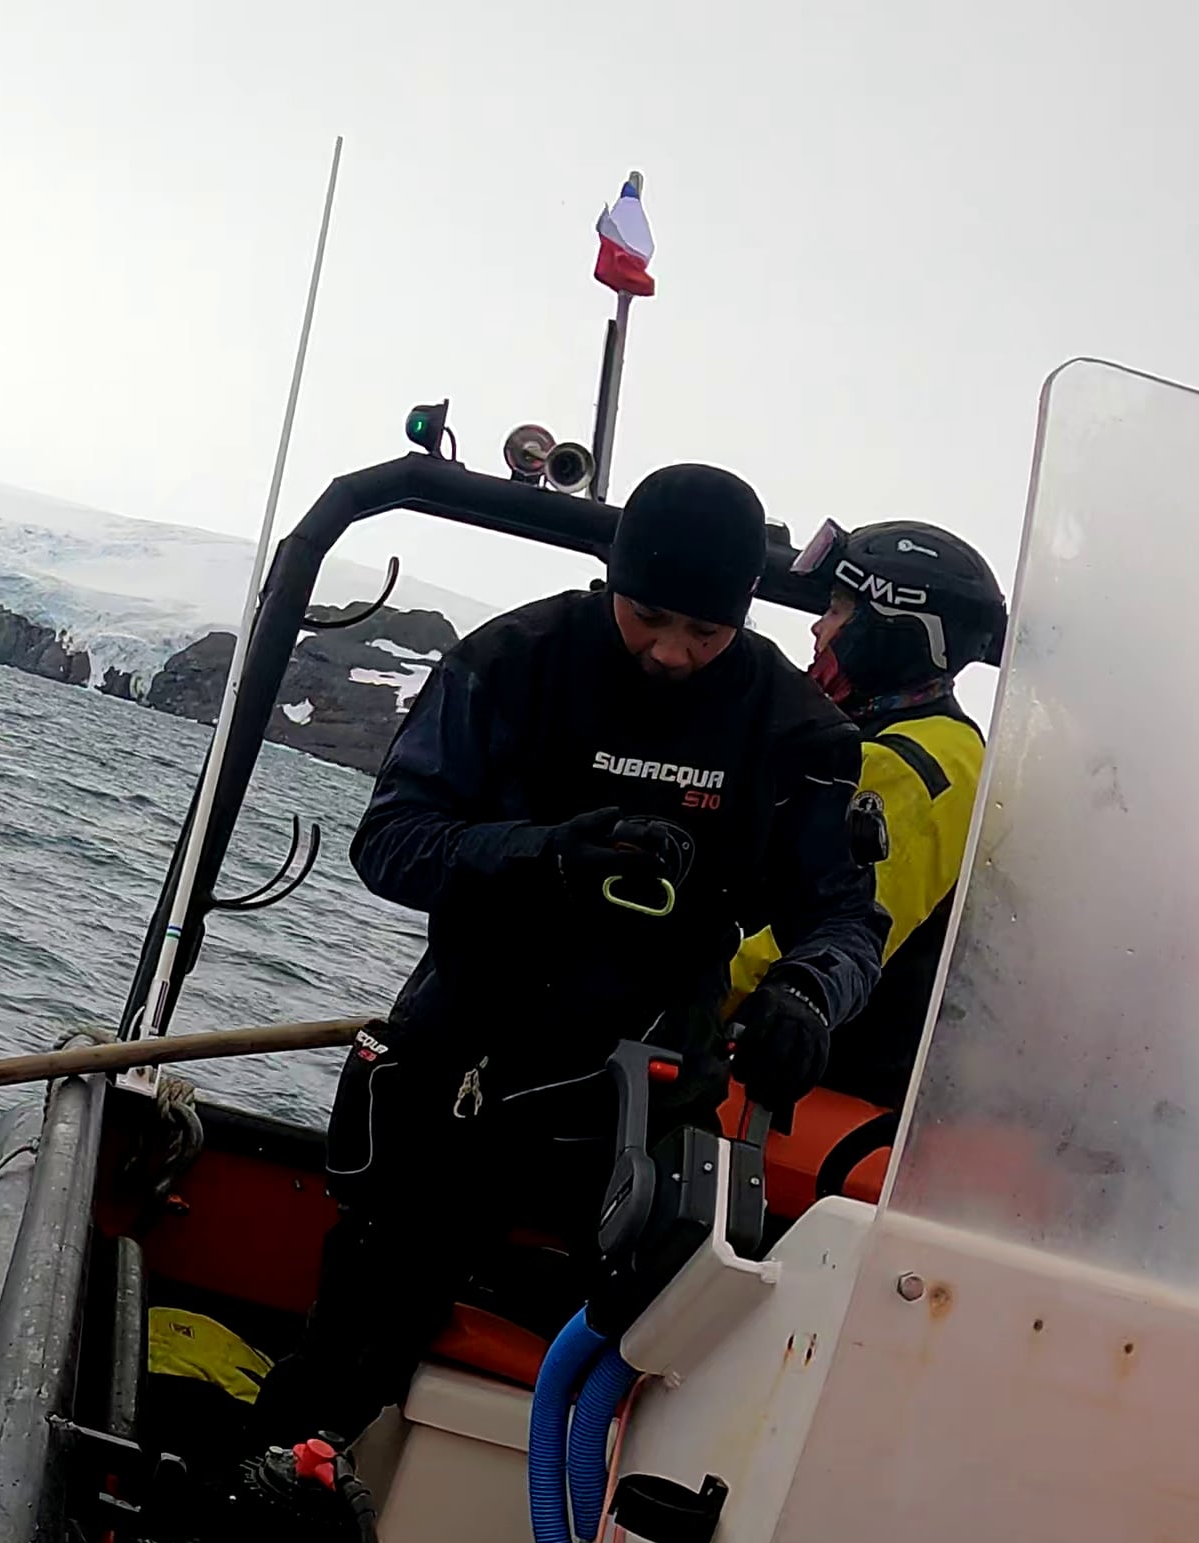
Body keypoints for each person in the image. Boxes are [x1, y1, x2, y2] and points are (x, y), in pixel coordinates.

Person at [258, 464, 888, 1446]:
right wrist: (546, 854)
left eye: (706, 634)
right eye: (648, 619)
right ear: (611, 580)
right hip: (460, 1084)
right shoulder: (512, 663)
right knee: (340, 1368)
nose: (674, 653)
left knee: (631, 1409)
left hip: (645, 1120)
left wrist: (809, 995)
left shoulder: (792, 728)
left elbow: (846, 921)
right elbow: (390, 843)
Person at [724, 522, 1009, 1108]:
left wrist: (660, 988)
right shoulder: (932, 742)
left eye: (837, 609)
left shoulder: (906, 766)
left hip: (829, 1088)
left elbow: (813, 936)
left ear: (891, 631)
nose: (819, 627)